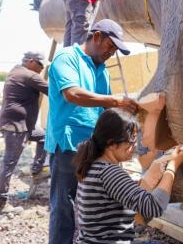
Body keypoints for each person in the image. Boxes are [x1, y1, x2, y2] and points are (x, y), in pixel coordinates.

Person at [45, 19, 138, 244]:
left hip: (93, 148)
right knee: (65, 209)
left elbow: (106, 108)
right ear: (96, 37)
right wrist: (115, 100)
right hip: (68, 146)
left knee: (93, 208)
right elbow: (73, 94)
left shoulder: (102, 70)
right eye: (110, 46)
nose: (111, 52)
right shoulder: (67, 58)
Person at [73, 108, 183, 244]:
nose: (134, 145)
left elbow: (122, 193)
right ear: (112, 144)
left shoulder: (92, 164)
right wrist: (172, 167)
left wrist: (153, 171)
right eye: (131, 140)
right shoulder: (109, 172)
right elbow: (154, 207)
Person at [0, 51, 49, 213]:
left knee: (44, 136)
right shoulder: (29, 75)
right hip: (17, 127)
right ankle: (0, 202)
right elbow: (54, 91)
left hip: (21, 125)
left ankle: (36, 169)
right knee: (8, 164)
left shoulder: (15, 70)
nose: (41, 69)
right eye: (40, 65)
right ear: (31, 61)